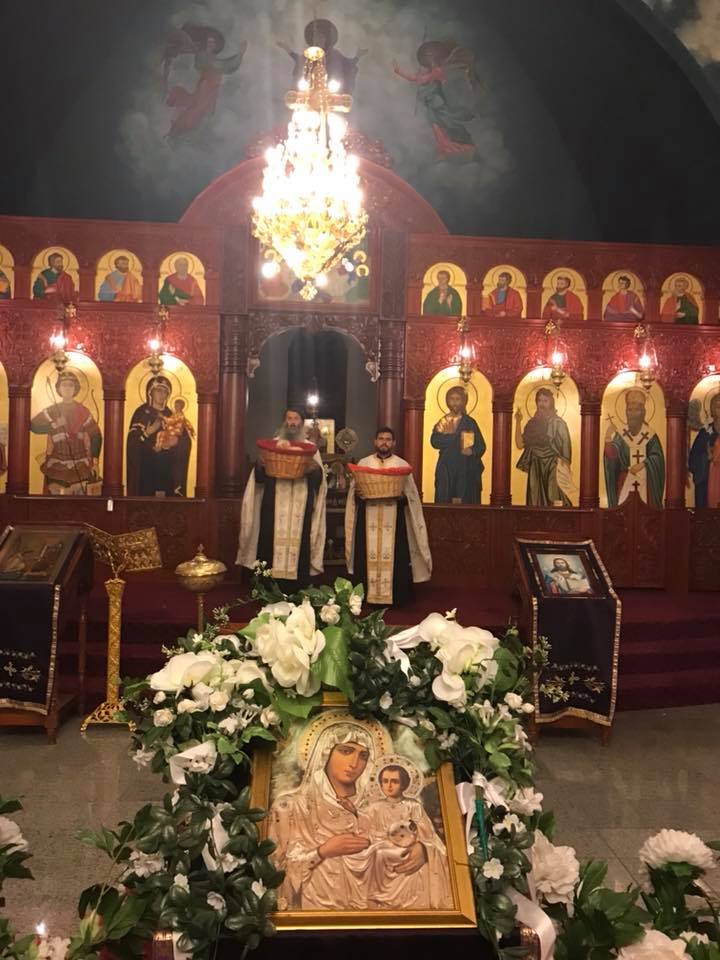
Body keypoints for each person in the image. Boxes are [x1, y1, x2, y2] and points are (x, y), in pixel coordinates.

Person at [267, 717, 432, 912]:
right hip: (315, 914)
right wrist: (322, 852)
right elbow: (275, 872)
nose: (355, 763)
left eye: (363, 756)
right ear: (324, 752)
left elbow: (435, 848)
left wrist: (424, 851)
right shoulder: (290, 807)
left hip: (381, 913)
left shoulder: (383, 805)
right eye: (346, 751)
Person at [237, 409, 326, 591]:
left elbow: (318, 483)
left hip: (301, 508)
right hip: (273, 506)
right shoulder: (273, 446)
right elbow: (259, 479)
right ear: (284, 422)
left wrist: (314, 470)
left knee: (300, 545)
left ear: (302, 423)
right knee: (269, 542)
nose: (292, 422)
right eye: (289, 418)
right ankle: (269, 589)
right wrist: (260, 466)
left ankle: (297, 589)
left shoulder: (310, 448)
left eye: (296, 419)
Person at [345, 758, 451, 910]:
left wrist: (413, 834)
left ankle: (386, 897)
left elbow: (426, 832)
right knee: (363, 855)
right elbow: (364, 824)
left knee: (381, 853)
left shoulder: (412, 806)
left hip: (405, 847)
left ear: (403, 784)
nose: (389, 785)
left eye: (394, 781)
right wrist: (354, 811)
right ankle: (376, 896)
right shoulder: (375, 807)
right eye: (385, 781)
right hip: (380, 844)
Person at [345, 427, 432, 606]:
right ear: (375, 442)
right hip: (368, 518)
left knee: (397, 556)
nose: (384, 442)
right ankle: (366, 598)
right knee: (365, 554)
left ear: (393, 443)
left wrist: (401, 497)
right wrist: (359, 494)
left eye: (388, 439)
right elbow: (355, 494)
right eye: (381, 438)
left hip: (394, 520)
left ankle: (396, 598)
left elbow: (411, 497)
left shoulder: (401, 465)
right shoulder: (364, 463)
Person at [30, 370, 102, 495]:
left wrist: (95, 462)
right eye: (64, 385)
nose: (67, 388)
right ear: (59, 388)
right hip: (57, 464)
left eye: (70, 385)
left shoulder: (83, 411)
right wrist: (54, 424)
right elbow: (32, 426)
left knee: (82, 499)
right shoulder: (52, 410)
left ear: (75, 388)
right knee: (57, 499)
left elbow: (96, 435)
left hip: (81, 464)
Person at [126, 375, 192, 497]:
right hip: (146, 469)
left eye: (165, 392)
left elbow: (185, 440)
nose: (162, 395)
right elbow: (132, 443)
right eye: (158, 390)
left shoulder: (171, 415)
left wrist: (177, 442)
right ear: (150, 392)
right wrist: (148, 432)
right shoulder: (141, 413)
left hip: (167, 469)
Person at [603, 389, 665, 508]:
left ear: (643, 413)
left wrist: (643, 464)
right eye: (629, 410)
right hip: (625, 481)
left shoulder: (650, 435)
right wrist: (608, 437)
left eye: (636, 410)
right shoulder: (621, 434)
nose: (632, 414)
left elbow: (657, 458)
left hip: (646, 483)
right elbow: (612, 457)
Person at [514, 388, 573, 506]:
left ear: (551, 403)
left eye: (545, 401)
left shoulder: (559, 423)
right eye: (540, 401)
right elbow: (520, 444)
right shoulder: (532, 424)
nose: (542, 404)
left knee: (553, 495)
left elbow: (566, 448)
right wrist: (518, 421)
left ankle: (560, 515)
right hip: (535, 464)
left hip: (552, 464)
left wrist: (564, 469)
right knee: (535, 498)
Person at [431, 385, 486, 503]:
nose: (455, 402)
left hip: (465, 467)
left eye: (458, 399)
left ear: (463, 401)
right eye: (452, 399)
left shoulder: (469, 422)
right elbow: (434, 441)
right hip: (447, 466)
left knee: (464, 499)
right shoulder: (443, 422)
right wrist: (452, 436)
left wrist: (472, 451)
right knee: (445, 497)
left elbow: (481, 445)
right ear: (447, 401)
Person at [689, 392, 720, 508]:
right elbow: (693, 461)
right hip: (708, 484)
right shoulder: (705, 434)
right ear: (712, 410)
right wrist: (706, 457)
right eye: (718, 406)